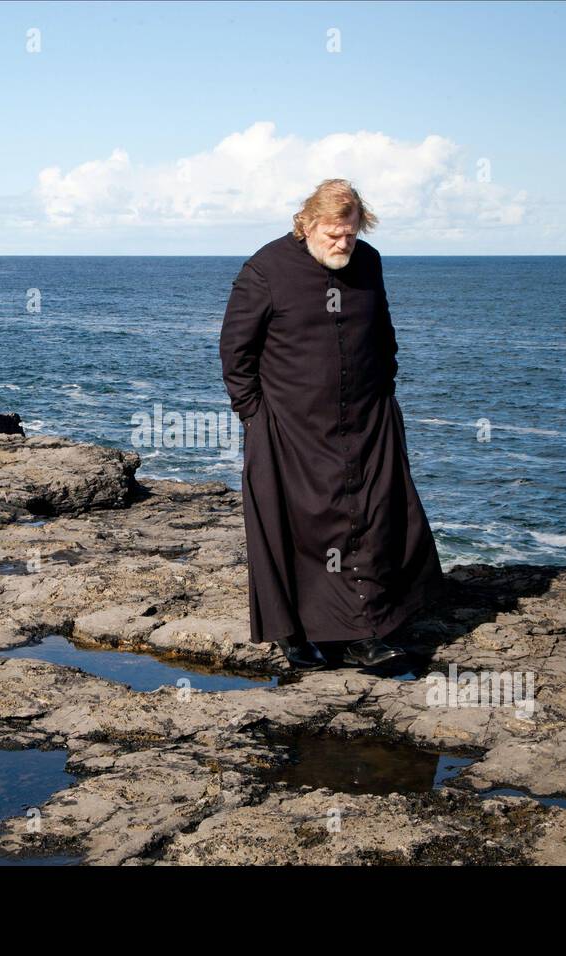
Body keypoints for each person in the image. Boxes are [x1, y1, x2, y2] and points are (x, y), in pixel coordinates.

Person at [219, 179, 445, 670]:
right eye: (333, 235)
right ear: (307, 224)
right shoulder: (266, 270)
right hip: (289, 427)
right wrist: (255, 415)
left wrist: (385, 391)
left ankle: (366, 629)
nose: (343, 244)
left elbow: (383, 332)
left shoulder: (369, 262)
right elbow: (236, 352)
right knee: (299, 527)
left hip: (365, 419)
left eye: (351, 234)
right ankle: (294, 633)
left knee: (372, 519)